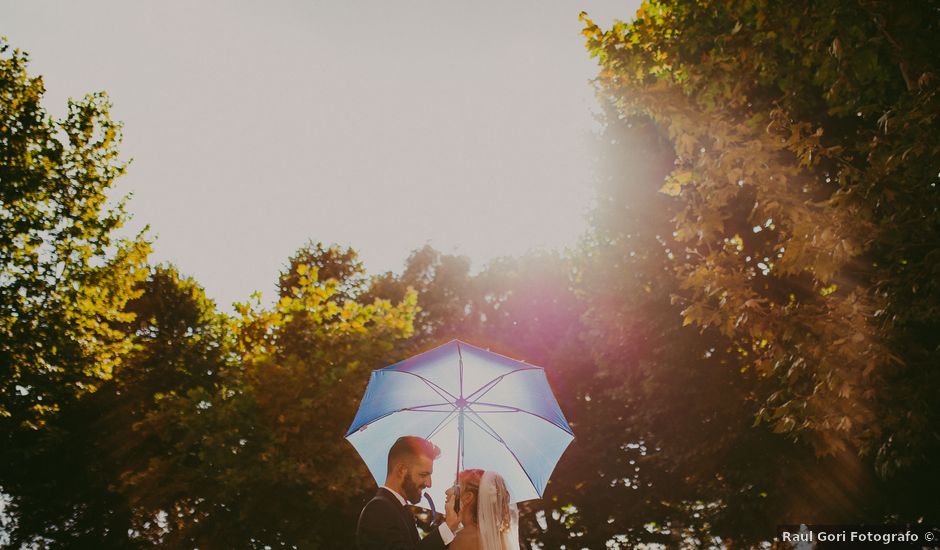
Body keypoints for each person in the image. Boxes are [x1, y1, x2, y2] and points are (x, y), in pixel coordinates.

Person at [356, 436, 460, 550]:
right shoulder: (379, 509)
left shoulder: (399, 509)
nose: (429, 483)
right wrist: (448, 526)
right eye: (423, 475)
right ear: (401, 470)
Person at [446, 469, 520, 550]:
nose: (447, 491)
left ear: (467, 498)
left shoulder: (462, 538)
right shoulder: (499, 537)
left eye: (454, 486)